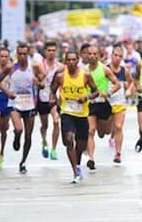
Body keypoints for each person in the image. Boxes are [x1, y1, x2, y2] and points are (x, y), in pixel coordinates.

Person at [50, 50, 99, 183]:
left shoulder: (86, 75)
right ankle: (75, 171)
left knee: (81, 144)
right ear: (65, 61)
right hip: (67, 112)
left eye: (74, 60)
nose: (71, 62)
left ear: (78, 61)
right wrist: (52, 100)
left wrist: (86, 97)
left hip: (82, 114)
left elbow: (96, 92)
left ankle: (77, 163)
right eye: (68, 60)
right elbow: (52, 90)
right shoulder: (60, 76)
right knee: (69, 139)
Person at [0, 42, 45, 174]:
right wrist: (8, 93)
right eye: (20, 54)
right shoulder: (11, 67)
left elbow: (43, 83)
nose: (22, 56)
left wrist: (38, 82)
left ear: (28, 53)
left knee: (28, 136)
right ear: (17, 54)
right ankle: (17, 136)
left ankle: (23, 161)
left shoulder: (34, 67)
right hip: (15, 103)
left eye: (25, 53)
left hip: (30, 104)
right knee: (19, 128)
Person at [84, 45, 121, 171]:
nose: (92, 56)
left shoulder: (104, 69)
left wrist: (109, 92)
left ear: (99, 56)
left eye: (95, 54)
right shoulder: (83, 71)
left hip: (103, 103)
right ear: (86, 55)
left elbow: (117, 84)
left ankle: (108, 131)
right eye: (90, 54)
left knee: (102, 133)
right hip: (90, 103)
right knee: (91, 130)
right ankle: (91, 158)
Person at [36, 41, 63, 161]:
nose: (51, 53)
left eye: (53, 50)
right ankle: (44, 141)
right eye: (49, 50)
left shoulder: (61, 67)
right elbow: (34, 81)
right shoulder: (39, 65)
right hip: (42, 98)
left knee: (56, 121)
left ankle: (54, 149)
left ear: (56, 51)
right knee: (45, 125)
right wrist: (40, 82)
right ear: (45, 51)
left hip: (54, 99)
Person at [106, 46, 133, 163]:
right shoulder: (105, 69)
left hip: (120, 102)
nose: (117, 58)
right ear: (111, 55)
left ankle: (118, 152)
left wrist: (128, 90)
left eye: (120, 56)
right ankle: (109, 136)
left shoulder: (124, 71)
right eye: (115, 55)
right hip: (106, 102)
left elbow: (131, 82)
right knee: (103, 131)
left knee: (118, 127)